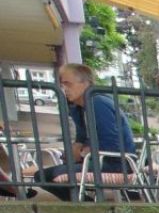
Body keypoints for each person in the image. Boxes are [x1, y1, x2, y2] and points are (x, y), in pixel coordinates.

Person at [35, 63, 136, 201]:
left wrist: (82, 152)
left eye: (67, 83)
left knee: (43, 176)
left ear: (85, 83)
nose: (64, 88)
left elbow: (112, 145)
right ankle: (86, 205)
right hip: (99, 160)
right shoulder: (80, 108)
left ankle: (86, 206)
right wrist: (77, 148)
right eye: (62, 84)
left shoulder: (98, 103)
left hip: (116, 164)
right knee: (43, 175)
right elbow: (82, 137)